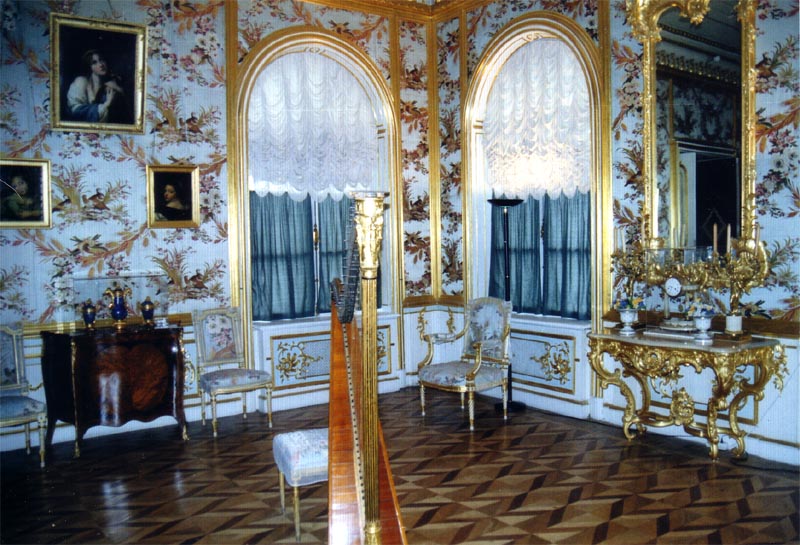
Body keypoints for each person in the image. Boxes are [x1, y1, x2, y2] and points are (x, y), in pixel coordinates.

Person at [66, 49, 132, 124]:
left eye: (102, 60)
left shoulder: (113, 83)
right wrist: (107, 104)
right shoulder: (81, 82)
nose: (101, 64)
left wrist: (118, 89)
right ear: (89, 67)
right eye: (94, 62)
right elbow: (75, 111)